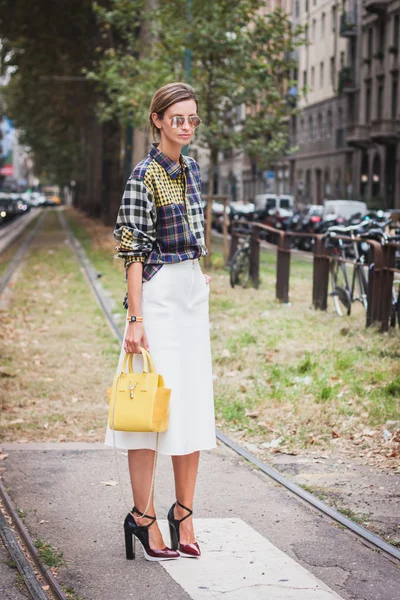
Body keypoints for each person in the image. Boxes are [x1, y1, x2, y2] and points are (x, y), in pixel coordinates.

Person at [105, 82, 216, 561]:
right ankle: (143, 517)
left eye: (192, 119)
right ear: (158, 120)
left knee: (190, 405)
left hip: (190, 293)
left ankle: (184, 512)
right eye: (178, 119)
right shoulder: (143, 175)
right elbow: (131, 249)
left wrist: (198, 270)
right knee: (150, 410)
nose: (186, 127)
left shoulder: (191, 168)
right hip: (158, 297)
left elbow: (193, 229)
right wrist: (135, 317)